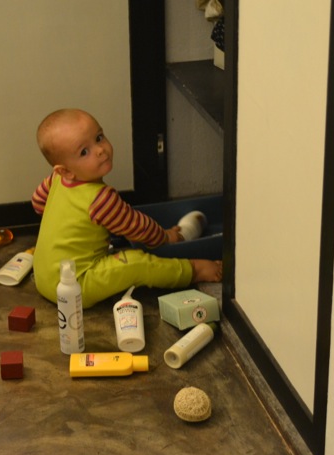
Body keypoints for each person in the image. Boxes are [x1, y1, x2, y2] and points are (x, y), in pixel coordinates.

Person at [32, 108, 222, 308]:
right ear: (65, 171)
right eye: (84, 152)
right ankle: (194, 270)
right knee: (137, 263)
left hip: (44, 277)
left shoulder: (55, 180)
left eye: (99, 138)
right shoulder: (100, 199)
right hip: (78, 286)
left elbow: (38, 203)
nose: (100, 150)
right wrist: (166, 236)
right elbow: (140, 228)